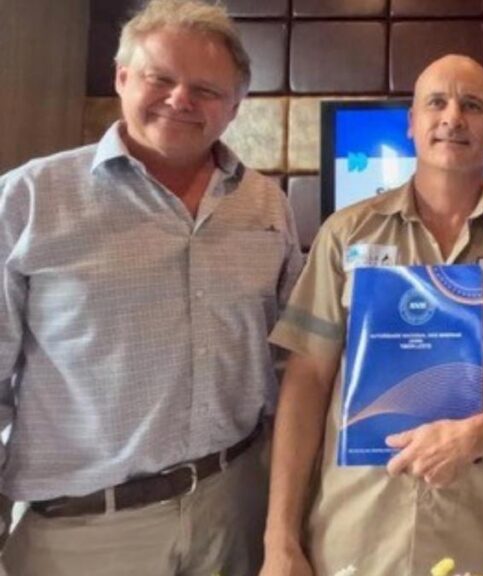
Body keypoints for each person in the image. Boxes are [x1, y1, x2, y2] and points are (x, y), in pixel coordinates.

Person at [259, 54, 483, 576]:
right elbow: (306, 379)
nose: (452, 118)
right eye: (436, 103)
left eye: (473, 106)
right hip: (356, 523)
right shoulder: (346, 234)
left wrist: (478, 434)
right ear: (412, 123)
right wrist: (279, 537)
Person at [0, 0, 304, 574]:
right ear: (122, 78)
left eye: (205, 89)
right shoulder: (28, 201)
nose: (180, 99)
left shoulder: (265, 205)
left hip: (234, 511)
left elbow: (291, 362)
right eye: (160, 78)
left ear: (234, 106)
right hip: (84, 535)